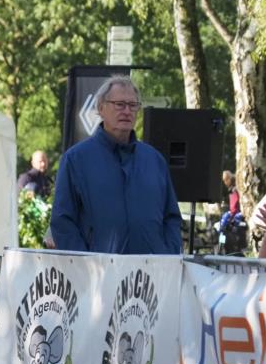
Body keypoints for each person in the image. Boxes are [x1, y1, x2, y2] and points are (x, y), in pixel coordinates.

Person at [50, 76, 182, 254]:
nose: (127, 111)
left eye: (133, 105)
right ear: (101, 108)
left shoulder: (155, 161)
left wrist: (168, 256)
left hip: (151, 275)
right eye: (119, 104)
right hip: (98, 275)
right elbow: (62, 222)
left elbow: (171, 218)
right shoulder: (76, 160)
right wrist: (86, 265)